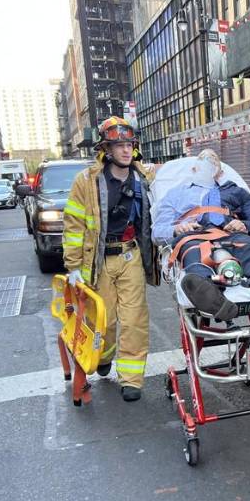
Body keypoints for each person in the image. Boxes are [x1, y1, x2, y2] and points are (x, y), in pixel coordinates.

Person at [63, 116, 158, 402]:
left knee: (134, 319)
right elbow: (73, 225)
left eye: (130, 144)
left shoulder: (144, 177)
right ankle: (103, 355)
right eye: (119, 145)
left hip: (131, 255)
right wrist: (73, 267)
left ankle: (131, 378)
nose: (126, 151)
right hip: (101, 259)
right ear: (106, 149)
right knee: (105, 320)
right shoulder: (86, 182)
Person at [152, 149, 250, 320]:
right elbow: (157, 231)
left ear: (220, 171)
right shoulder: (176, 194)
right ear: (194, 170)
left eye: (212, 163)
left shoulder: (238, 193)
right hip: (194, 237)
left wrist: (244, 225)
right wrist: (176, 228)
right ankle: (214, 299)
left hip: (233, 235)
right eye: (203, 163)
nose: (208, 166)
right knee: (195, 261)